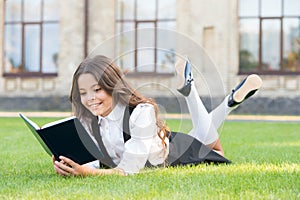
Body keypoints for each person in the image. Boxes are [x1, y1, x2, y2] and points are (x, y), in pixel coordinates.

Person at [53, 55, 262, 176]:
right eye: (82, 93)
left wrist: (87, 173)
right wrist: (69, 165)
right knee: (204, 135)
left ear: (112, 86)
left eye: (97, 90)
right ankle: (228, 102)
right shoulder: (89, 122)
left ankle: (192, 92)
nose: (90, 98)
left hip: (179, 156)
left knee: (218, 152)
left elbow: (128, 170)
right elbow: (94, 161)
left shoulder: (141, 112)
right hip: (166, 143)